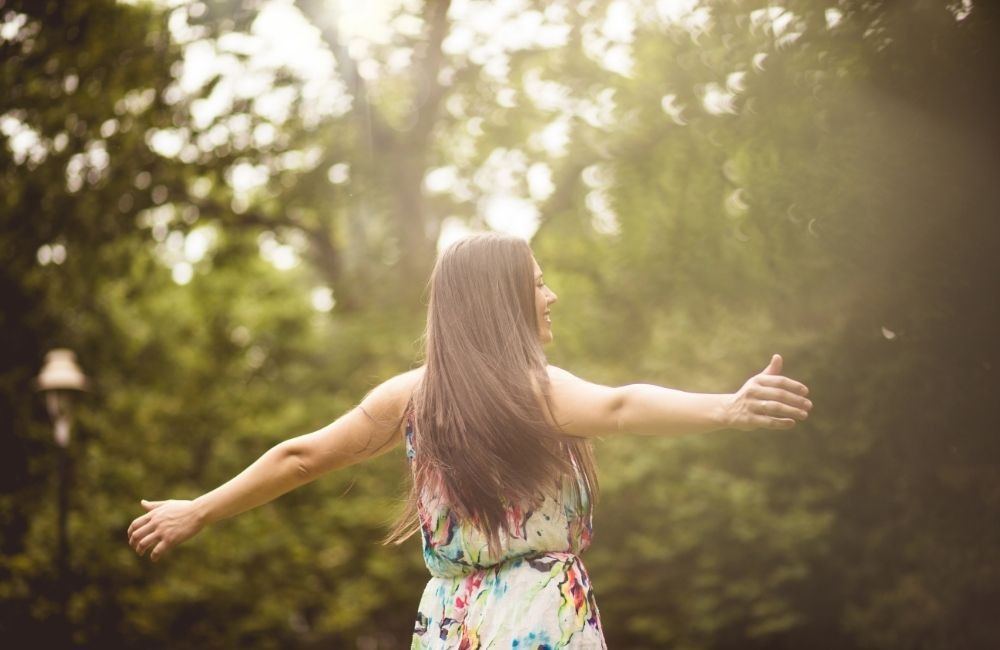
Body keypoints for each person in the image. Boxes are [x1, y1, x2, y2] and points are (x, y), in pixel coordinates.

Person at [127, 232, 812, 649]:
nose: (551, 297)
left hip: (453, 622)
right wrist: (726, 408)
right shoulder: (534, 389)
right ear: (502, 300)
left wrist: (200, 509)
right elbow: (623, 403)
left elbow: (301, 455)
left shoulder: (412, 395)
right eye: (539, 284)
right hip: (542, 617)